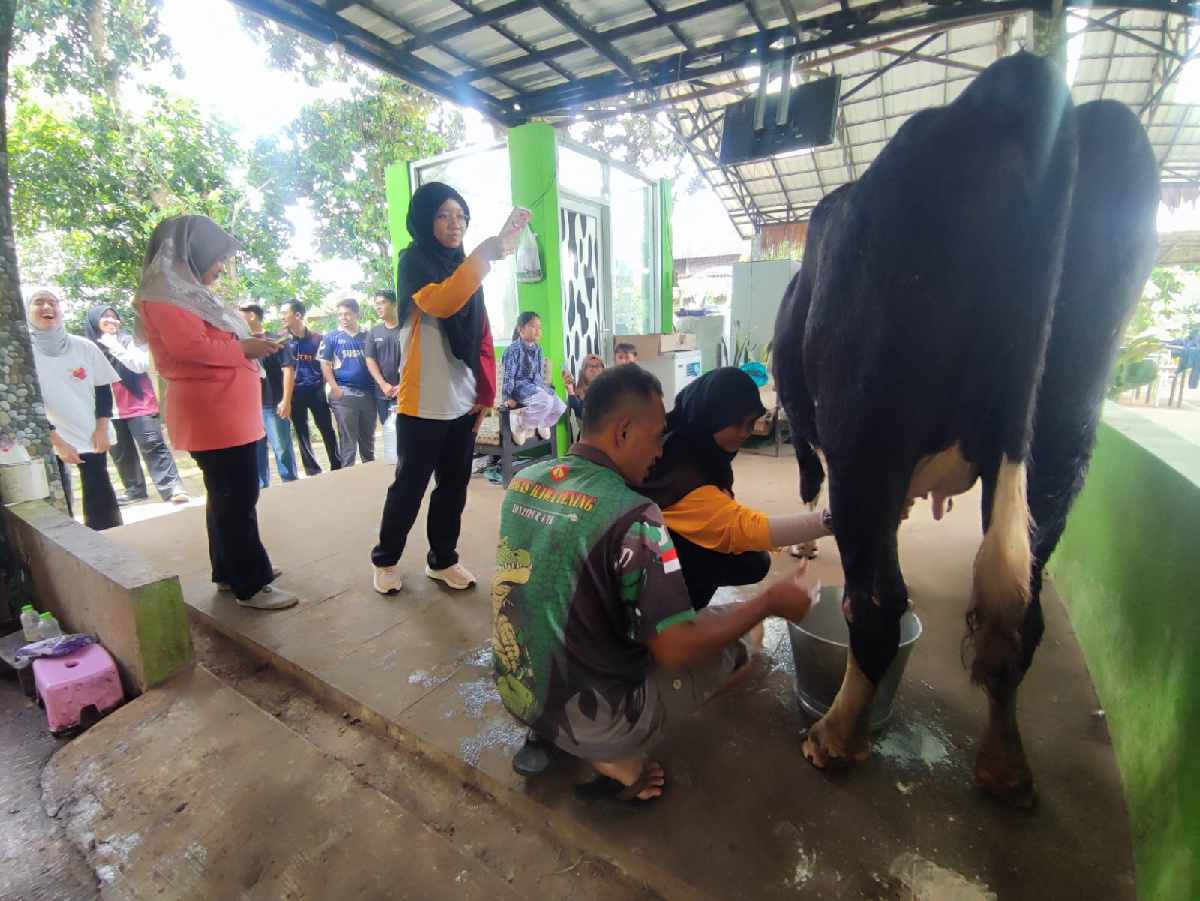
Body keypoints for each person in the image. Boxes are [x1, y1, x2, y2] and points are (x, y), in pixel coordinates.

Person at [492, 364, 816, 798]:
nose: (661, 450)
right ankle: (618, 757)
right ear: (624, 431)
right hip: (598, 719)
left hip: (518, 694)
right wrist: (767, 604)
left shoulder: (523, 483)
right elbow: (675, 648)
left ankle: (553, 729)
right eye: (657, 436)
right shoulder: (635, 515)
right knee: (744, 640)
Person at [134, 214, 296, 610]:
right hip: (213, 413)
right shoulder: (165, 295)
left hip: (226, 412)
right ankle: (251, 585)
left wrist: (250, 342)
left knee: (226, 495)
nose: (221, 267)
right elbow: (190, 348)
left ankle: (229, 571)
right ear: (195, 251)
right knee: (236, 497)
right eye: (218, 258)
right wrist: (243, 348)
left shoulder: (187, 292)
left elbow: (209, 339)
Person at [371, 181, 507, 595]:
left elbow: (482, 334)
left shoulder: (465, 269)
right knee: (409, 486)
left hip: (462, 399)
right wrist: (483, 257)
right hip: (423, 400)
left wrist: (485, 393)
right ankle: (385, 560)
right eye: (443, 215)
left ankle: (443, 560)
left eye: (461, 216)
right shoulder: (414, 262)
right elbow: (443, 302)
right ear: (424, 220)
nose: (454, 224)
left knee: (454, 487)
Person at [640, 367, 832, 611]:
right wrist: (829, 522)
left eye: (750, 423)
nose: (744, 433)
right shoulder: (682, 471)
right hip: (640, 564)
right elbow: (743, 527)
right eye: (735, 423)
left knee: (743, 556)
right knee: (744, 560)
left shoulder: (694, 444)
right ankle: (675, 619)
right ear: (712, 417)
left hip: (655, 547)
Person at [27, 289, 123, 531]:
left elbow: (103, 389)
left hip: (89, 431)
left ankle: (108, 541)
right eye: (39, 302)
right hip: (48, 435)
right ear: (27, 311)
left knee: (99, 490)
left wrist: (102, 428)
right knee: (56, 495)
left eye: (53, 302)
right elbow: (29, 401)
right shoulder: (24, 352)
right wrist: (56, 440)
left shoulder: (84, 347)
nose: (47, 307)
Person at [83, 304, 189, 506]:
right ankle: (134, 489)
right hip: (108, 409)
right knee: (120, 452)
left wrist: (114, 345)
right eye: (105, 317)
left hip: (139, 404)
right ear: (94, 321)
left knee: (153, 445)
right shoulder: (87, 348)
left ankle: (173, 488)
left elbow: (139, 366)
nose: (112, 321)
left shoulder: (130, 341)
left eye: (114, 317)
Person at [238, 302, 298, 488]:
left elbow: (288, 370)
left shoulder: (276, 340)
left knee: (281, 447)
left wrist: (286, 400)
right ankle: (262, 486)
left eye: (240, 314)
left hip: (273, 403)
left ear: (252, 315)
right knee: (256, 450)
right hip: (249, 406)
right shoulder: (239, 343)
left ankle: (290, 483)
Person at [279, 300, 341, 476]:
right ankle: (312, 469)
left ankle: (337, 464)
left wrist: (324, 384)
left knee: (327, 428)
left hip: (316, 390)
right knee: (301, 432)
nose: (281, 317)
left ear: (297, 315)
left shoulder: (317, 338)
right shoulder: (281, 339)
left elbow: (326, 363)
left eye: (285, 313)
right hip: (294, 393)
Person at [318, 298, 376, 467]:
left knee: (368, 438)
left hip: (368, 393)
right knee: (347, 440)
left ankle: (370, 471)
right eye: (341, 314)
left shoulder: (368, 335)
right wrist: (335, 388)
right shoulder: (331, 337)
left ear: (357, 314)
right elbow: (325, 364)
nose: (343, 318)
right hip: (344, 393)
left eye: (348, 314)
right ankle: (347, 473)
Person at [500, 312, 566, 444]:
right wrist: (507, 397)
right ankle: (519, 423)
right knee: (546, 401)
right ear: (521, 329)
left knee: (560, 406)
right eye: (533, 326)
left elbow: (538, 374)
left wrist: (543, 389)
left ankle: (542, 423)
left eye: (540, 327)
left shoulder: (538, 349)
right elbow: (508, 375)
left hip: (535, 386)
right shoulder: (512, 350)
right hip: (520, 388)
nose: (538, 330)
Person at [364, 289, 402, 425]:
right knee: (388, 430)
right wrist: (383, 384)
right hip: (383, 394)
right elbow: (370, 359)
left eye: (382, 303)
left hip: (406, 392)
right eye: (377, 304)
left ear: (394, 305)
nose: (378, 307)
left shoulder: (407, 329)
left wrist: (404, 384)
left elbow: (416, 360)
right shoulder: (374, 332)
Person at [563, 352, 604, 420]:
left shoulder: (610, 390)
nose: (594, 370)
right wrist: (570, 389)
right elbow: (580, 412)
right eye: (590, 366)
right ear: (583, 371)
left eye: (597, 366)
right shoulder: (580, 393)